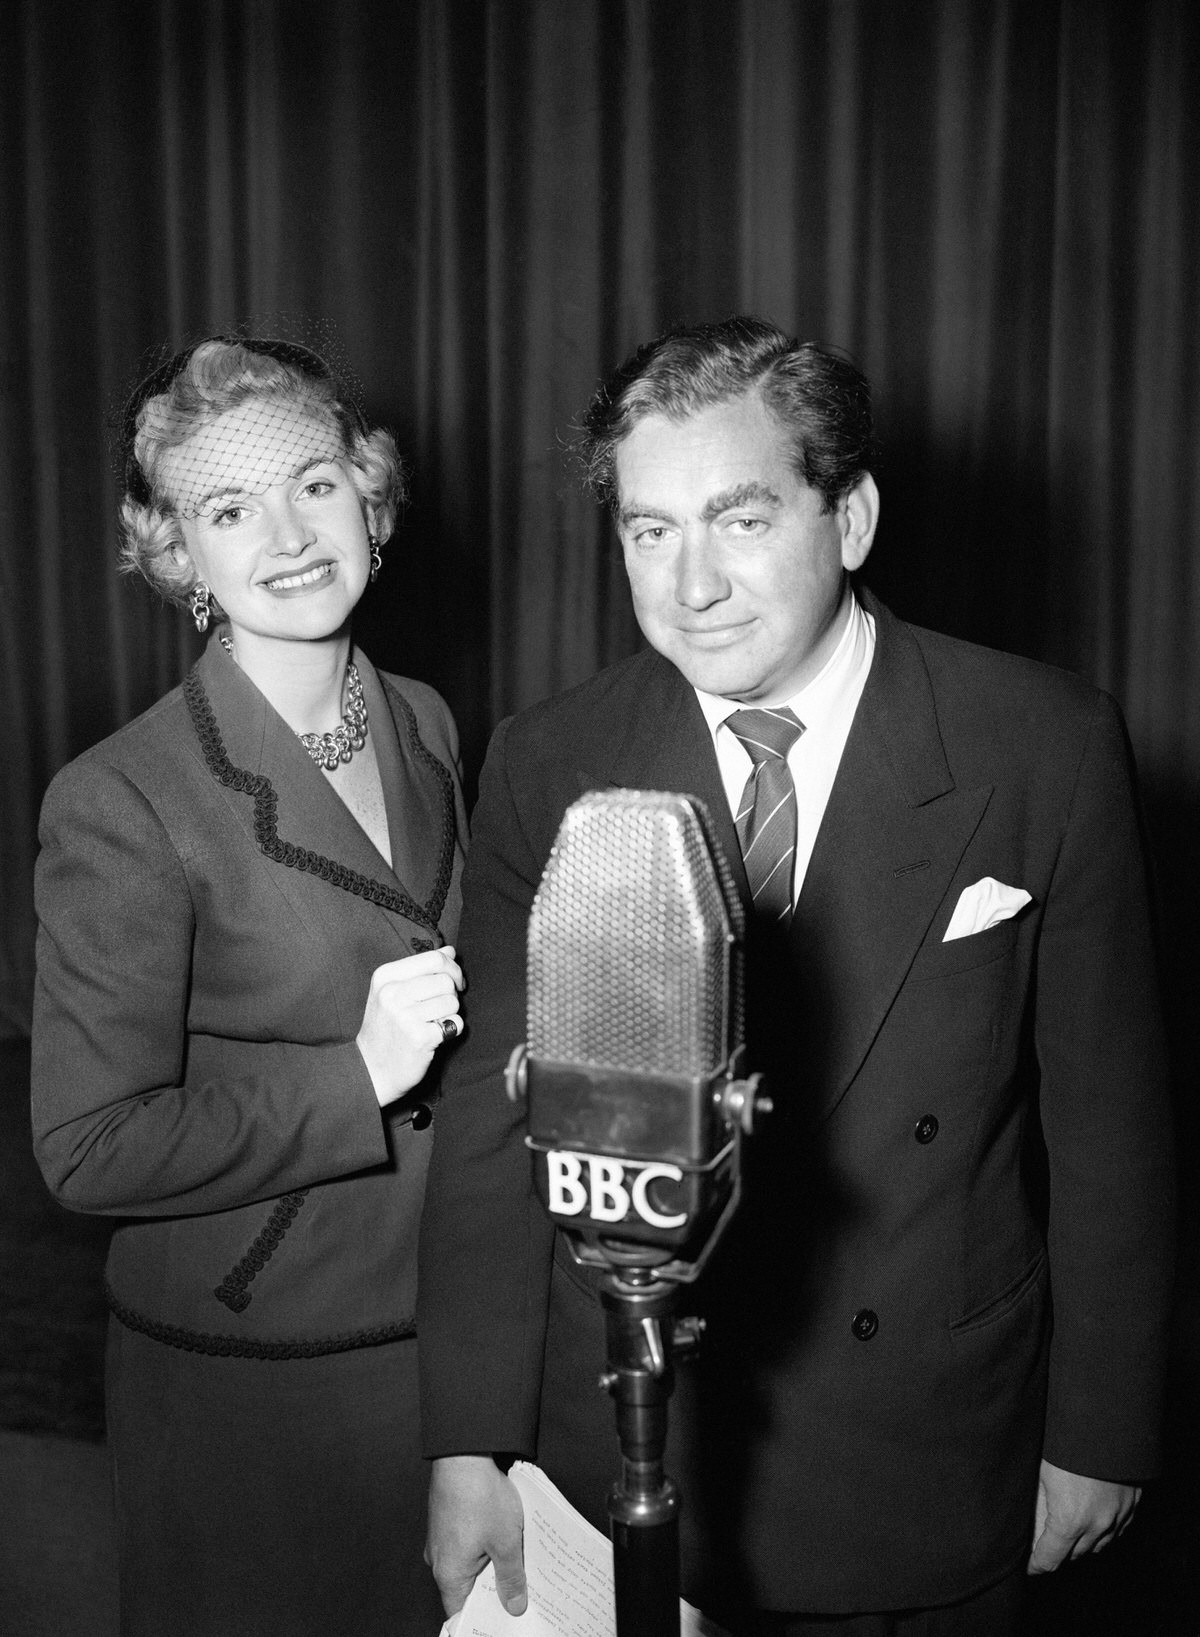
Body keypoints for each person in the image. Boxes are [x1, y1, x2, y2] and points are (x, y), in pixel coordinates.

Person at [416, 317, 1175, 1634]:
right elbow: (496, 1122)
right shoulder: (552, 756)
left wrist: (1104, 1427)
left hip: (926, 1458)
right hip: (627, 1449)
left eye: (740, 519)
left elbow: (1110, 1125)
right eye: (649, 530)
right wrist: (471, 1442)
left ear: (853, 516)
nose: (690, 580)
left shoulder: (1042, 743)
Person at [31, 335, 467, 1636]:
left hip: (449, 1349)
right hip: (258, 1385)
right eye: (230, 507)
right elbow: (86, 1147)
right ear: (178, 555)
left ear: (370, 497)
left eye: (313, 484)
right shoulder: (122, 799)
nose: (286, 532)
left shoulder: (429, 722)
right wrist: (356, 1081)